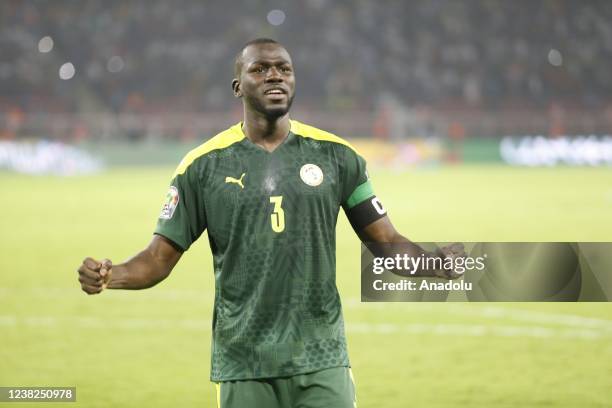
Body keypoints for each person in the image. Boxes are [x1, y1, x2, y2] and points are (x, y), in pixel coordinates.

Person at [78, 38, 465, 408]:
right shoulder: (202, 166)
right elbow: (157, 258)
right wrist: (112, 275)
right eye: (260, 69)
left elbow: (386, 243)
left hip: (322, 358)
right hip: (244, 363)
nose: (274, 76)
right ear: (238, 86)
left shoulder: (338, 157)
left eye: (283, 68)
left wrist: (436, 264)